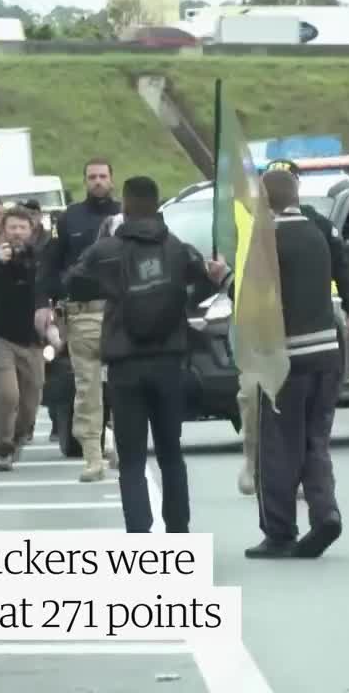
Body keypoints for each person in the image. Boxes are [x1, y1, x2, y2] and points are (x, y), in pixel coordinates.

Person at [64, 176, 224, 533]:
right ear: (157, 205)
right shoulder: (177, 247)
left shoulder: (106, 250)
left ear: (125, 205)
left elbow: (73, 284)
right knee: (171, 453)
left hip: (125, 364)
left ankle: (139, 531)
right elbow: (203, 285)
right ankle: (178, 529)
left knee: (132, 458)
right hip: (169, 360)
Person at [237, 159, 349, 497]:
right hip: (265, 337)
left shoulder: (317, 225)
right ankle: (254, 463)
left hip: (300, 339)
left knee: (302, 421)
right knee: (251, 400)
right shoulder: (253, 225)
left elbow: (343, 268)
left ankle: (299, 485)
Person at [245, 170, 345, 559]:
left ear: (265, 199)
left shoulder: (268, 239)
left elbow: (253, 299)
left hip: (287, 360)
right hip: (327, 354)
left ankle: (280, 531)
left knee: (278, 448)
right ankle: (326, 513)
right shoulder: (317, 234)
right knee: (315, 442)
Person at [36, 158, 121, 483]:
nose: (97, 181)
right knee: (86, 389)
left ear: (112, 180)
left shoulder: (125, 215)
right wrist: (44, 303)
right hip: (82, 312)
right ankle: (92, 456)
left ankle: (123, 447)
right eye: (92, 177)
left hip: (119, 312)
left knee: (121, 386)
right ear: (85, 181)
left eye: (103, 176)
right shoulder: (70, 218)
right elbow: (50, 264)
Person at [0, 206, 47, 471]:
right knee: (8, 394)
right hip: (0, 338)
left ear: (31, 230)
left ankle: (17, 437)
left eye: (22, 228)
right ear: (4, 231)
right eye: (12, 227)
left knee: (31, 400)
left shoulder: (40, 259)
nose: (17, 233)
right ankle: (3, 446)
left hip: (33, 340)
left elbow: (50, 288)